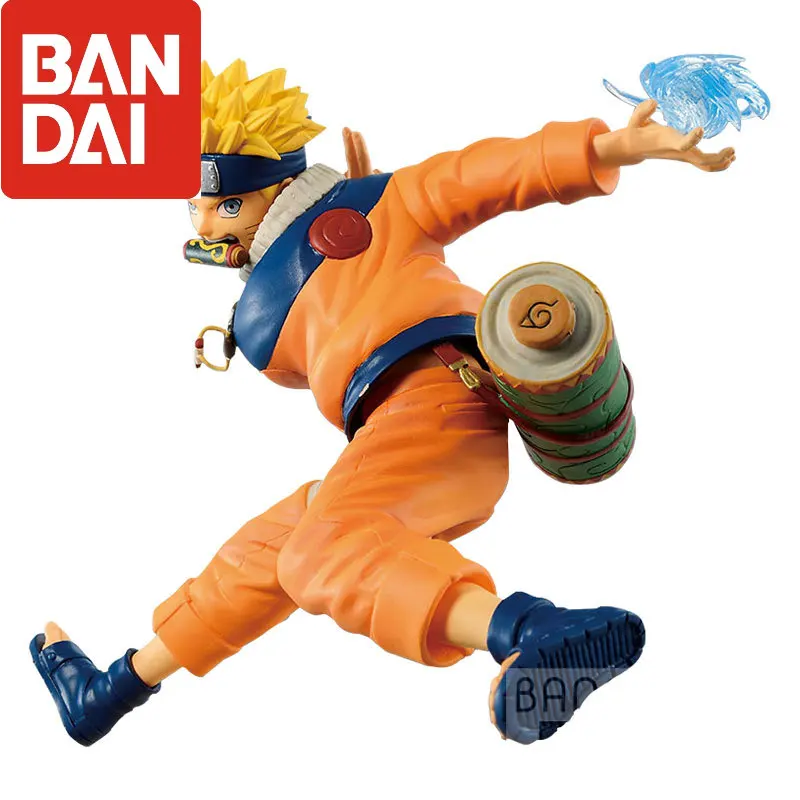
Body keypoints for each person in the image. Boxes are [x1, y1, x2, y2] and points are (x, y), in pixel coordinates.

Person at [31, 60, 735, 747]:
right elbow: (327, 316)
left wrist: (607, 148)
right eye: (198, 205)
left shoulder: (380, 207)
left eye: (231, 204)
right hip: (387, 430)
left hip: (438, 396)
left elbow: (482, 175)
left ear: (285, 189)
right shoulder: (265, 308)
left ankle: (531, 630)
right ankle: (112, 690)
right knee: (270, 552)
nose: (209, 223)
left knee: (320, 553)